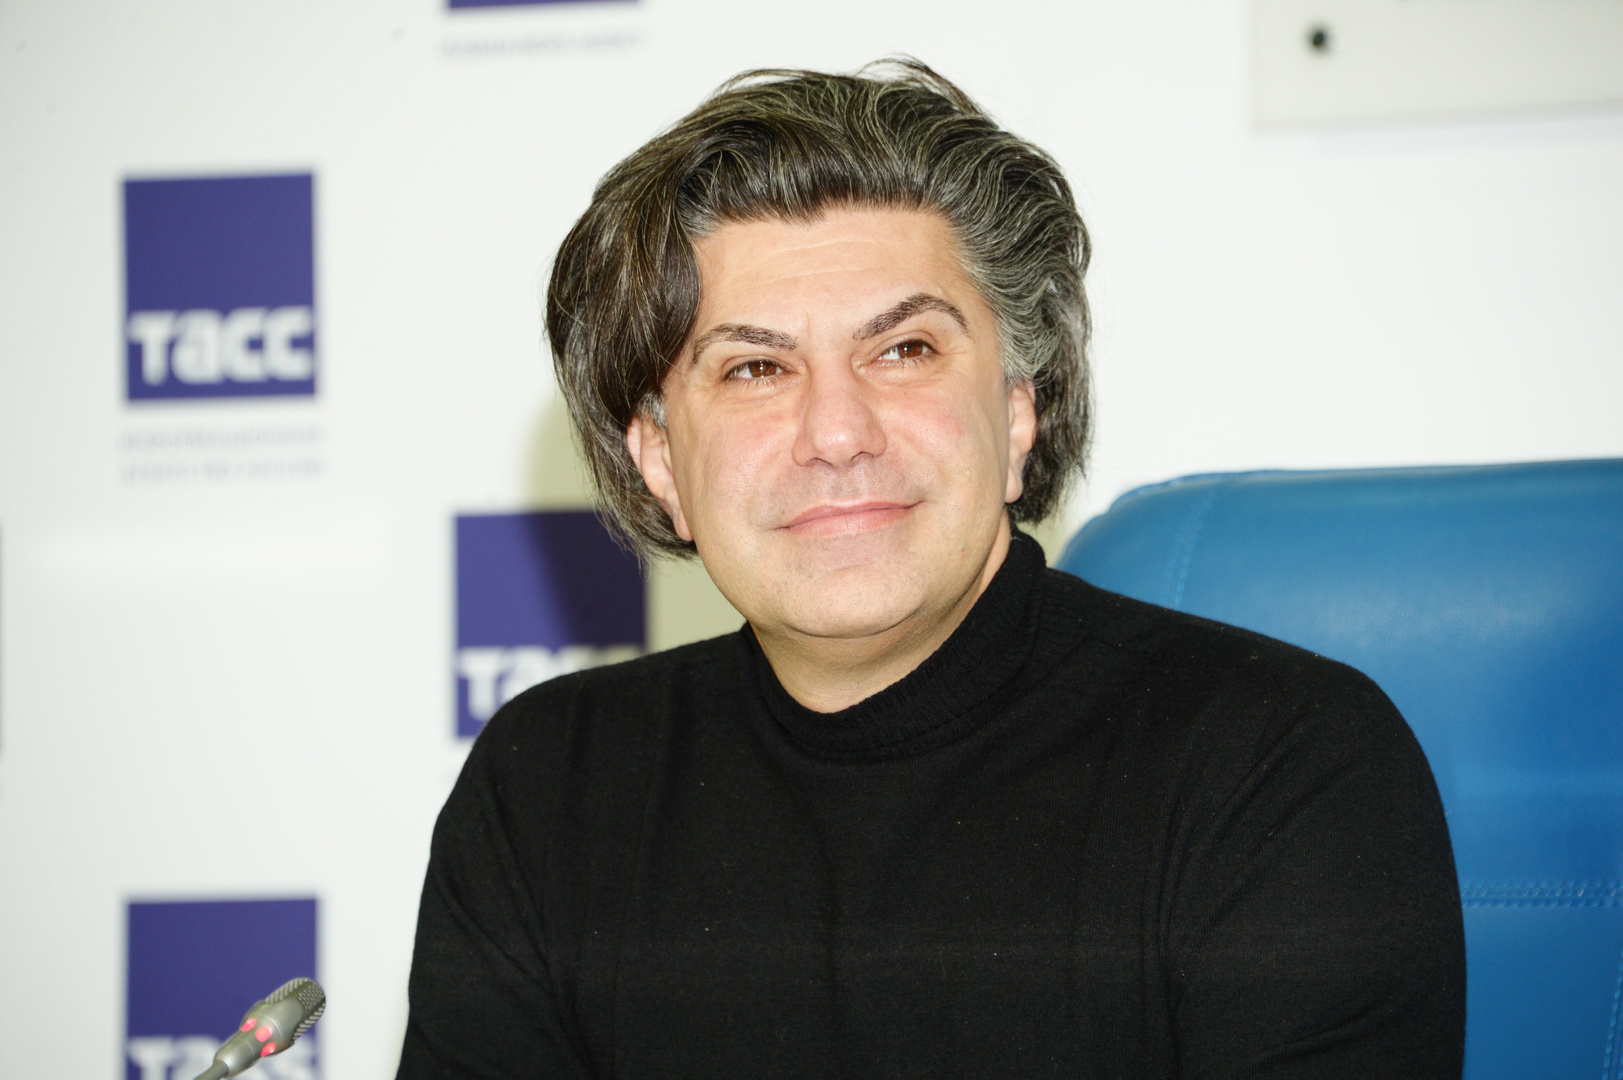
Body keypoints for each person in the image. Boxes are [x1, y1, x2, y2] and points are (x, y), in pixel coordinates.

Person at [397, 60, 1464, 1078]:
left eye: (903, 350)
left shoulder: (1279, 763)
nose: (836, 431)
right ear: (662, 462)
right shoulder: (547, 787)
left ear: (1016, 412)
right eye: (756, 368)